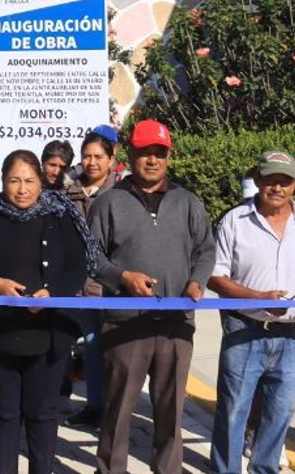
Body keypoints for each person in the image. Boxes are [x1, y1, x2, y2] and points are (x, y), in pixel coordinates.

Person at [89, 119, 215, 474]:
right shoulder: (109, 203)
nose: (152, 160)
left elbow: (205, 250)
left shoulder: (188, 202)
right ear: (130, 154)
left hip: (176, 327)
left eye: (159, 153)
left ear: (169, 157)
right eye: (145, 152)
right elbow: (90, 255)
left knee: (170, 413)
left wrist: (196, 282)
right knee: (117, 412)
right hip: (126, 325)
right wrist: (122, 276)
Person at [0, 150, 91, 474]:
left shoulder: (59, 216)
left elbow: (78, 265)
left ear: (41, 182)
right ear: (2, 181)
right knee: (5, 413)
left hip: (48, 336)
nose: (22, 188)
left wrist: (52, 292)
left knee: (42, 414)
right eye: (14, 180)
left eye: (29, 181)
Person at [208, 150, 295, 474]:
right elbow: (215, 277)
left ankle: (264, 469)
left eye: (284, 181)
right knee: (233, 411)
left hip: (291, 335)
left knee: (281, 411)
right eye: (270, 180)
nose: (277, 188)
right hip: (244, 330)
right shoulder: (235, 220)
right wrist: (259, 297)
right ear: (258, 181)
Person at [63, 128, 120, 429]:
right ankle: (94, 406)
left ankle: (114, 409)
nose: (92, 162)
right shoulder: (68, 192)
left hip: (109, 287)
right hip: (76, 288)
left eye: (99, 157)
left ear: (112, 160)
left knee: (112, 349)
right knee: (92, 348)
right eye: (86, 156)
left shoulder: (123, 194)